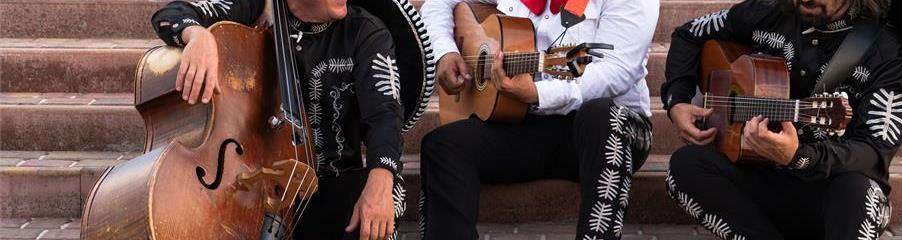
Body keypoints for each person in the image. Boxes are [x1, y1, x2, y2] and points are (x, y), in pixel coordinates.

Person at [660, 0, 902, 238]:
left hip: (832, 196)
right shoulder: (769, 12)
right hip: (763, 179)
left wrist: (798, 155)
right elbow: (688, 34)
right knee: (685, 166)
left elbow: (873, 152)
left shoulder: (888, 54)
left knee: (857, 192)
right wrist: (677, 101)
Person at [150, 0, 409, 239]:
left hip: (327, 188)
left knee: (386, 188)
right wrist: (197, 34)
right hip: (250, 190)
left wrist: (382, 176)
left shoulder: (365, 32)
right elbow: (170, 15)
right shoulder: (256, 7)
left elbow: (385, 115)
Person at [418, 0, 657, 239]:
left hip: (609, 132)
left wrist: (538, 93)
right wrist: (445, 52)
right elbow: (438, 3)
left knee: (601, 116)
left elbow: (616, 71)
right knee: (443, 146)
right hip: (525, 118)